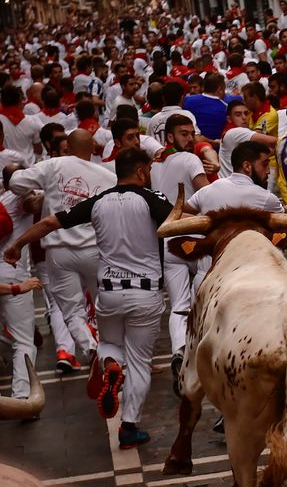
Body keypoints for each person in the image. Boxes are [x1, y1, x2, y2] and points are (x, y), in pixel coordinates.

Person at [5, 148, 172, 449]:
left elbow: (48, 224)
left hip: (109, 294)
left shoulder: (98, 201)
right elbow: (180, 222)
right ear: (142, 172)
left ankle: (109, 361)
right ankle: (129, 427)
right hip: (145, 293)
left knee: (109, 342)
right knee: (139, 361)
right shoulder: (153, 200)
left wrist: (18, 244)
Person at [7, 130, 111, 371]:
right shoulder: (108, 176)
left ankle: (90, 349)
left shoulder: (54, 165)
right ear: (92, 148)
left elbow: (15, 182)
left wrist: (40, 192)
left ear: (69, 146)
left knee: (71, 310)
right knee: (104, 305)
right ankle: (111, 354)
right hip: (95, 250)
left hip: (59, 252)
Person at [150, 114, 209, 392]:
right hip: (195, 239)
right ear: (170, 137)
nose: (190, 139)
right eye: (184, 134)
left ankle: (179, 351)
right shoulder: (190, 160)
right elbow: (207, 196)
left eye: (191, 133)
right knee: (206, 296)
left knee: (178, 305)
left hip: (167, 242)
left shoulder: (154, 165)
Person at [0, 165, 40, 406]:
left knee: (10, 335)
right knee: (24, 340)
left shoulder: (3, 199)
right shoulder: (23, 199)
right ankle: (22, 397)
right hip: (12, 274)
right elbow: (35, 205)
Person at [219, 100, 277, 178]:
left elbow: (266, 152)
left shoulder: (231, 132)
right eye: (238, 115)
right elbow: (274, 141)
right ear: (229, 119)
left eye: (246, 113)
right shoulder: (235, 132)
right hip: (233, 183)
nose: (244, 117)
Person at [183, 72, 230, 140]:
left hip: (189, 145)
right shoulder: (226, 108)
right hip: (215, 148)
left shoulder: (187, 100)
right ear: (220, 90)